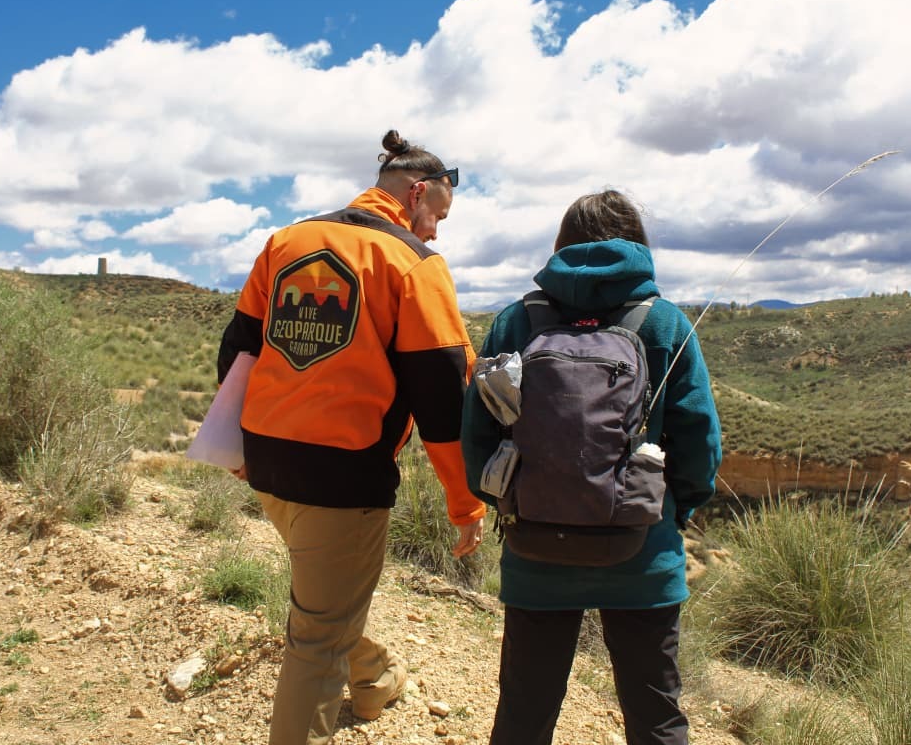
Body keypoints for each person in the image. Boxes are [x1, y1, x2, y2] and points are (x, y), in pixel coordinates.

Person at [218, 129, 487, 745]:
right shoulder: (412, 263)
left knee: (324, 600)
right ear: (416, 193)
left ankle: (375, 679)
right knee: (317, 638)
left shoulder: (287, 241)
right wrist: (464, 501)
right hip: (345, 478)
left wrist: (234, 445)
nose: (435, 232)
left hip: (266, 464)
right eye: (438, 215)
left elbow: (239, 350)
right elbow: (442, 397)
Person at [462, 189, 722, 745]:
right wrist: (674, 513)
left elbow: (478, 437)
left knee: (524, 714)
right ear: (638, 243)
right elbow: (699, 441)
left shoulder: (517, 321)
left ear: (561, 244)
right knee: (656, 718)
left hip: (536, 552)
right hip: (643, 553)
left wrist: (511, 502)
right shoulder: (664, 324)